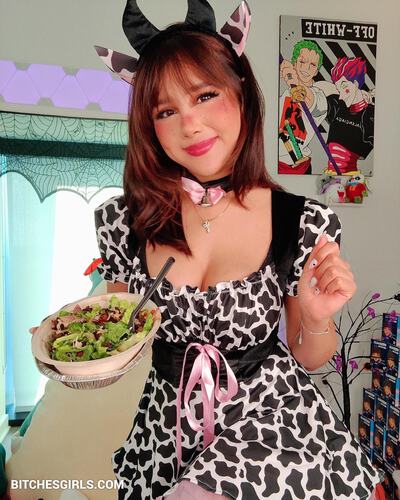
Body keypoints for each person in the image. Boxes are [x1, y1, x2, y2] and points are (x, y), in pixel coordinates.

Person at [94, 1, 379, 498]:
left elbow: (309, 356)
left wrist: (316, 316)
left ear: (241, 92)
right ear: (149, 126)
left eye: (205, 95)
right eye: (165, 110)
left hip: (271, 430)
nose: (190, 124)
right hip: (166, 435)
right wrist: (72, 342)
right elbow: (115, 334)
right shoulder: (126, 223)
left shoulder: (300, 221)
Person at [278, 40, 327, 174]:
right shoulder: (283, 96)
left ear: (316, 71)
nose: (306, 68)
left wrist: (296, 82)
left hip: (299, 167)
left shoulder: (320, 97)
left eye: (312, 65)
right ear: (294, 63)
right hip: (275, 164)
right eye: (302, 62)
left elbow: (309, 99)